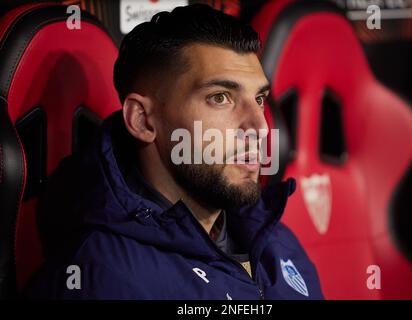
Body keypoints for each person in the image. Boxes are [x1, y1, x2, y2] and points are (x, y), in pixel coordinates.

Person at [26, 4, 323, 300]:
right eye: (220, 98)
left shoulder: (274, 239)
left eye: (259, 98)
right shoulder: (103, 279)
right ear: (142, 120)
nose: (260, 128)